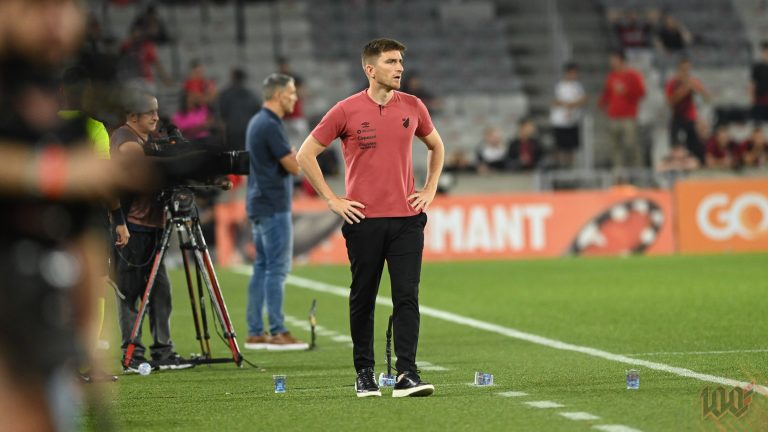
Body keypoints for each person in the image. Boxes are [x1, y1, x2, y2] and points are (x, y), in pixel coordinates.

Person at [296, 38, 445, 398]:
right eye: (392, 61)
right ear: (370, 69)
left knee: (407, 296)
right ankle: (364, 373)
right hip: (364, 221)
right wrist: (332, 200)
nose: (400, 68)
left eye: (401, 61)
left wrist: (429, 189)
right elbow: (305, 155)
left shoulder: (413, 106)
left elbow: (437, 146)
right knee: (363, 296)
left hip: (408, 220)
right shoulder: (345, 110)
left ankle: (407, 373)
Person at [110, 89, 193, 372]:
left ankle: (163, 351)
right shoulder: (124, 137)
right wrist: (177, 157)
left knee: (160, 291)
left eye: (157, 111)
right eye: (150, 112)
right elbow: (140, 161)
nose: (157, 117)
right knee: (130, 293)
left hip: (156, 226)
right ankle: (132, 353)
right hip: (131, 226)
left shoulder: (153, 139)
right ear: (132, 116)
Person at [243, 73, 308, 351]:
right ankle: (278, 330)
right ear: (279, 95)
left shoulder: (258, 122)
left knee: (262, 267)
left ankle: (256, 331)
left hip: (259, 202)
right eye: (292, 93)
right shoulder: (270, 124)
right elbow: (295, 166)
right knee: (277, 269)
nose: (295, 98)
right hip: (273, 205)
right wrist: (295, 157)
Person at [599, 50, 646, 169]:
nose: (612, 63)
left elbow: (642, 93)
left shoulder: (633, 75)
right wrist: (602, 104)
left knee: (631, 146)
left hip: (628, 117)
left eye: (614, 60)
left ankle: (636, 173)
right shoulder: (611, 76)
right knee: (615, 148)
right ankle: (619, 177)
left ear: (622, 60)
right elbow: (607, 93)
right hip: (614, 116)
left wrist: (627, 91)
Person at [665, 58, 711, 164]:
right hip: (677, 117)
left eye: (687, 69)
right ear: (679, 70)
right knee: (675, 145)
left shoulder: (693, 81)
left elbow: (707, 98)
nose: (685, 72)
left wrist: (700, 90)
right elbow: (670, 102)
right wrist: (685, 89)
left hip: (690, 117)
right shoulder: (672, 83)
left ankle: (698, 165)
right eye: (683, 69)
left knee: (695, 145)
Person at [550, 62, 587, 168]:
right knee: (560, 147)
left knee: (571, 149)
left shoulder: (578, 86)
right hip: (560, 122)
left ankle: (570, 169)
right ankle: (560, 168)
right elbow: (555, 101)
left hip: (573, 121)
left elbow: (583, 100)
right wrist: (569, 105)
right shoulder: (560, 86)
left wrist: (570, 105)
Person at [750, 42, 768, 125]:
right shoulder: (757, 67)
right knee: (759, 123)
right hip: (760, 99)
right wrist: (752, 98)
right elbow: (753, 84)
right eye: (765, 52)